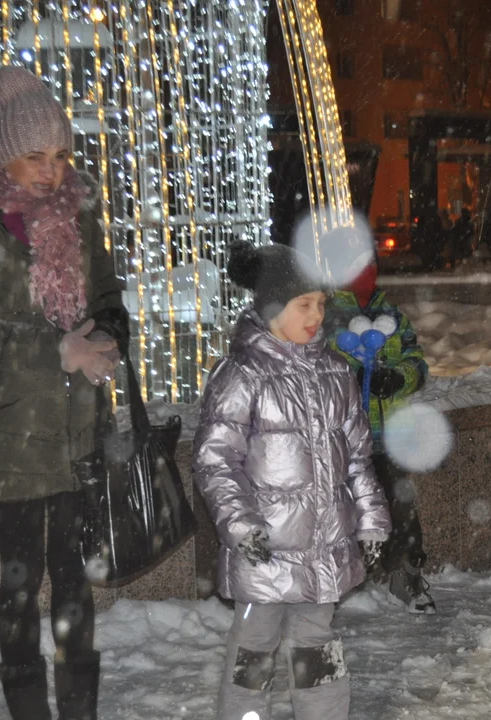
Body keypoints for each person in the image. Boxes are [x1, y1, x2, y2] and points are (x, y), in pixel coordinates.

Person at [0, 66, 128, 720]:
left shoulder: (78, 210)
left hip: (75, 431)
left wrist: (107, 342)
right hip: (9, 434)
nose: (50, 170)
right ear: (6, 152)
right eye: (35, 155)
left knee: (74, 588)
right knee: (20, 585)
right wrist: (53, 351)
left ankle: (80, 712)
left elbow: (107, 299)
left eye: (60, 155)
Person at [193, 241, 391, 720]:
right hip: (265, 551)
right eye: (304, 304)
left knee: (316, 650)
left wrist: (372, 522)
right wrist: (241, 528)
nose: (317, 314)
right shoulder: (243, 374)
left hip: (324, 550)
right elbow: (215, 461)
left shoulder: (336, 374)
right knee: (253, 653)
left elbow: (359, 458)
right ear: (272, 308)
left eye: (321, 303)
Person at [324, 257, 435, 614]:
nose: (365, 277)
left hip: (389, 435)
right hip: (341, 437)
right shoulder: (323, 315)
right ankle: (334, 588)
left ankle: (406, 575)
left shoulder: (393, 316)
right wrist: (346, 381)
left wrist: (399, 377)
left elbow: (417, 361)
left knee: (401, 508)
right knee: (339, 513)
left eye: (370, 267)